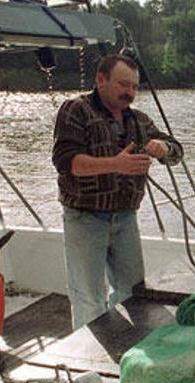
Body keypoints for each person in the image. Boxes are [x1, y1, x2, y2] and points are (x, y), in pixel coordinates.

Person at [52, 54, 183, 329]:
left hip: (125, 219)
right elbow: (66, 163)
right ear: (101, 80)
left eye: (135, 87)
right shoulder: (75, 110)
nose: (130, 92)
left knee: (133, 293)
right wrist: (116, 164)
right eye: (124, 84)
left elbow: (177, 151)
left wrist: (163, 147)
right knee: (89, 298)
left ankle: (126, 349)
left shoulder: (139, 121)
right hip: (84, 219)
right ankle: (87, 364)